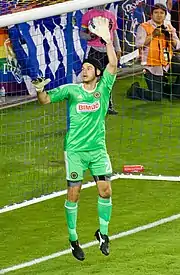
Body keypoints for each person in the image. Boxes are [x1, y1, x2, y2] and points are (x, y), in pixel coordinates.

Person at [33, 17, 117, 261]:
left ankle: (103, 234)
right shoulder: (72, 90)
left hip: (98, 149)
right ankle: (73, 239)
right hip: (75, 151)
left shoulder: (104, 88)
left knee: (106, 191)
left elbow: (113, 63)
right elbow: (46, 100)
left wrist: (108, 40)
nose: (84, 70)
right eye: (83, 68)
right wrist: (39, 89)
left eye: (89, 68)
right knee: (74, 194)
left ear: (97, 73)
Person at [127, 3, 180, 101]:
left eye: (161, 13)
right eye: (156, 12)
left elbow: (178, 45)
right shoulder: (144, 26)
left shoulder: (169, 27)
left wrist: (170, 38)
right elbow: (139, 44)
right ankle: (135, 90)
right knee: (156, 97)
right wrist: (153, 35)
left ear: (165, 15)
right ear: (151, 14)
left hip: (167, 62)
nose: (159, 15)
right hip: (152, 65)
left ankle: (175, 94)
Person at [80, 5, 121, 115]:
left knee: (108, 78)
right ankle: (90, 105)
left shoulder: (110, 15)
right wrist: (92, 36)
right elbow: (82, 33)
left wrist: (118, 49)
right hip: (94, 50)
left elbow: (114, 33)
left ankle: (108, 105)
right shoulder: (87, 15)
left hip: (108, 50)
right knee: (92, 79)